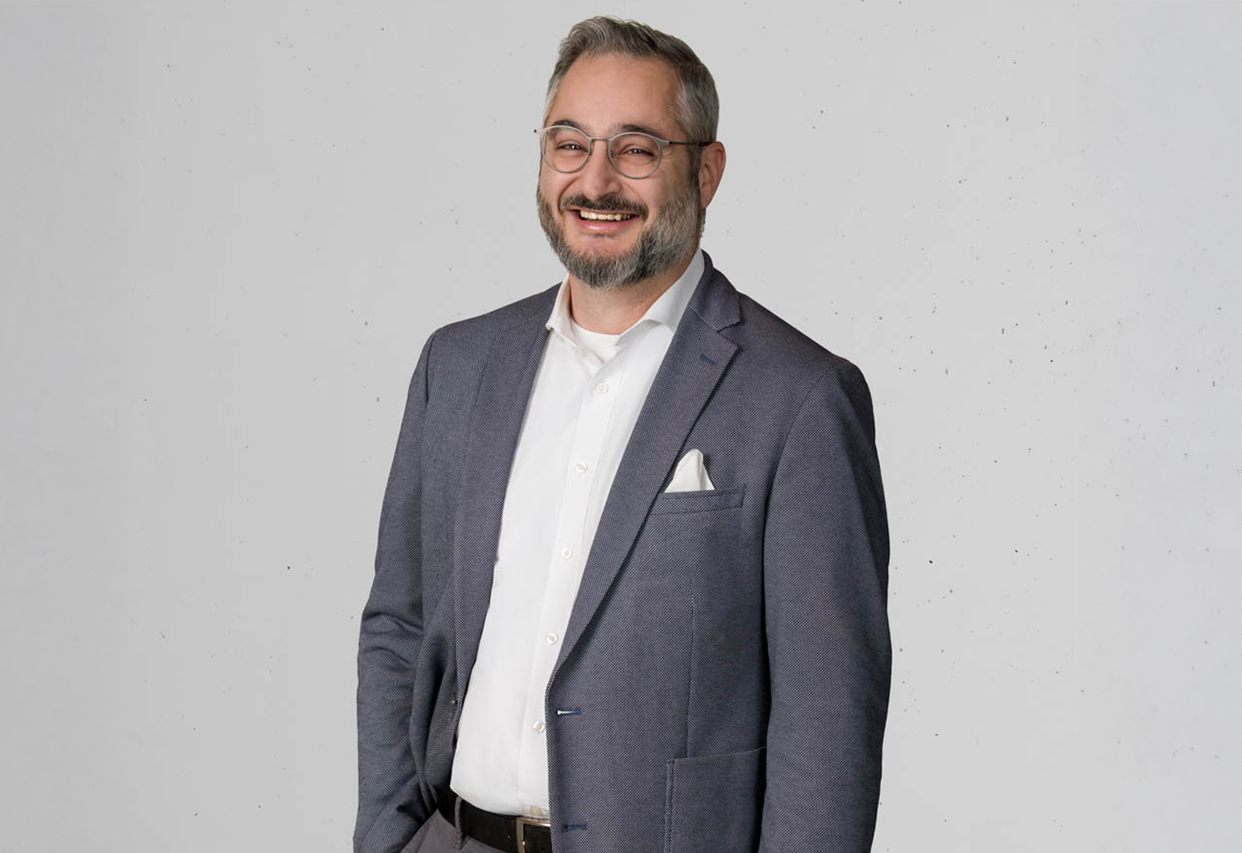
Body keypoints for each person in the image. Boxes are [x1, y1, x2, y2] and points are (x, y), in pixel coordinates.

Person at [355, 16, 891, 853]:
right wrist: (390, 839)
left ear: (706, 171)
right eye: (569, 144)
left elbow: (829, 718)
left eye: (636, 149)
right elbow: (401, 625)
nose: (595, 180)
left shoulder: (800, 400)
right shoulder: (456, 367)